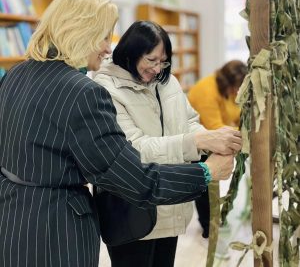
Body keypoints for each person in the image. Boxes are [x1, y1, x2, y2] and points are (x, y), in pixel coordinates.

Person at [0, 0, 238, 267]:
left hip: (12, 217)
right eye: (103, 36)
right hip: (57, 230)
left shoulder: (15, 74)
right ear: (80, 31)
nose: (106, 47)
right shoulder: (84, 92)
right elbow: (135, 178)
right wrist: (205, 172)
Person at [93, 21, 243, 267]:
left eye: (163, 61)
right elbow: (133, 149)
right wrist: (197, 140)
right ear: (130, 52)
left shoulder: (167, 81)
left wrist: (211, 140)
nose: (157, 68)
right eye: (151, 60)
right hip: (131, 209)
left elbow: (189, 122)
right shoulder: (105, 89)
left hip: (169, 202)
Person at [188, 60, 247, 238]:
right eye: (237, 87)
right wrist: (247, 134)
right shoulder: (207, 91)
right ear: (229, 82)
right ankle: (208, 226)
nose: (238, 91)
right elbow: (214, 127)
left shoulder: (227, 90)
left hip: (211, 142)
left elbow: (236, 115)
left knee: (211, 185)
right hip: (198, 144)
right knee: (204, 186)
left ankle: (214, 220)